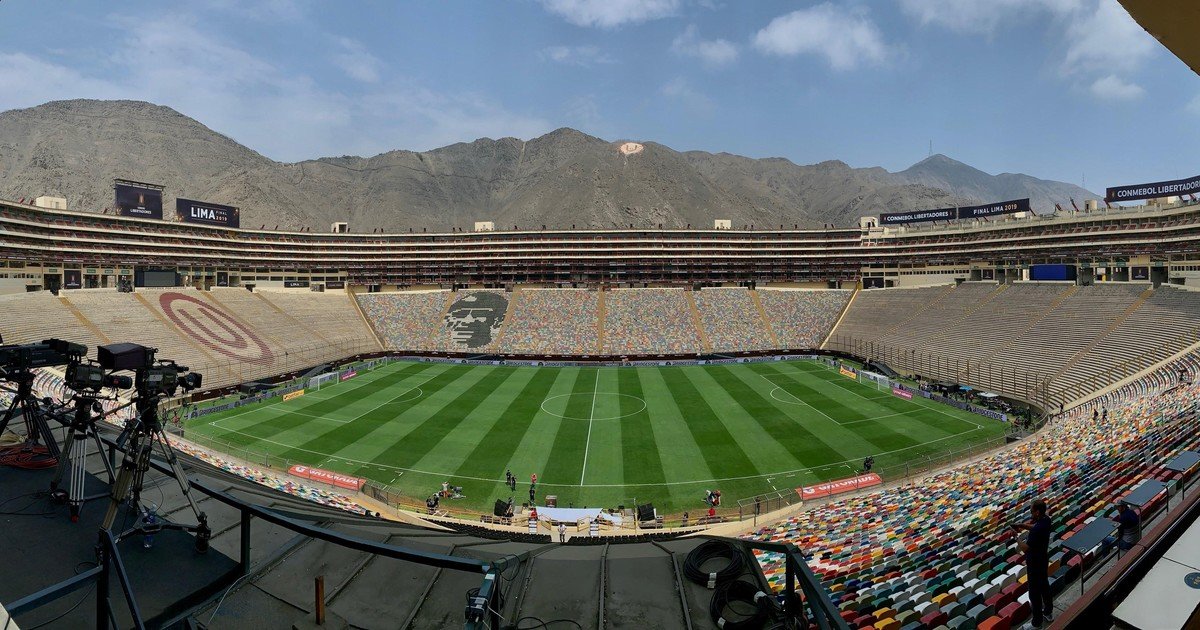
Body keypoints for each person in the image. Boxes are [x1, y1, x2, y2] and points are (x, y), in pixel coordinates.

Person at [1011, 499, 1053, 628]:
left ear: (1037, 512)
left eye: (1032, 511)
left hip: (1034, 564)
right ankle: (1048, 612)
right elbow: (1035, 527)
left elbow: (1025, 548)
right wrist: (1023, 525)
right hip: (1043, 559)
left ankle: (1036, 623)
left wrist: (1016, 537)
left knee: (1034, 594)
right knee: (1044, 586)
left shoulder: (1036, 531)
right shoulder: (1046, 520)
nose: (1030, 512)